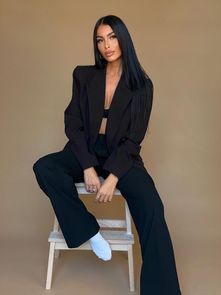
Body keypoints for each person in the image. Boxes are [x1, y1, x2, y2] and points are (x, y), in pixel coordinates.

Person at [33, 14, 182, 295]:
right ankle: (88, 231)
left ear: (124, 38)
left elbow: (134, 138)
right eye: (100, 40)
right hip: (84, 150)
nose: (106, 45)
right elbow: (73, 123)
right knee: (44, 168)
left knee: (152, 206)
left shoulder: (142, 86)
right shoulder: (83, 75)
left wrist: (113, 177)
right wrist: (88, 166)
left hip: (121, 156)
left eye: (112, 37)